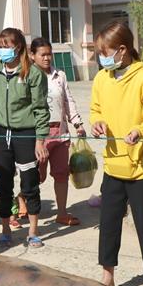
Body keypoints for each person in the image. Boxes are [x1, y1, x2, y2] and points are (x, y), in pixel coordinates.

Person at [90, 21, 143, 286]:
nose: (102, 57)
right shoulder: (102, 78)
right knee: (109, 224)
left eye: (105, 51)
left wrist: (141, 130)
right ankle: (107, 276)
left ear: (123, 50)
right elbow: (96, 110)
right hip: (113, 166)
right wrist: (97, 122)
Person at [0, 27, 50, 248]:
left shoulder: (33, 73)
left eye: (6, 46)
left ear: (18, 47)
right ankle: (5, 229)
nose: (2, 51)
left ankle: (33, 231)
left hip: (25, 134)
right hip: (1, 133)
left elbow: (40, 109)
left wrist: (40, 140)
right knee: (3, 183)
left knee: (29, 183)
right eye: (0, 46)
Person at [30, 37, 86, 226]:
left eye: (49, 54)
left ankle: (62, 213)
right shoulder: (27, 77)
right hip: (38, 135)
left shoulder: (59, 76)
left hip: (60, 132)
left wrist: (78, 123)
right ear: (32, 55)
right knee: (36, 175)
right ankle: (23, 202)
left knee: (61, 174)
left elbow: (68, 101)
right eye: (42, 54)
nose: (47, 58)